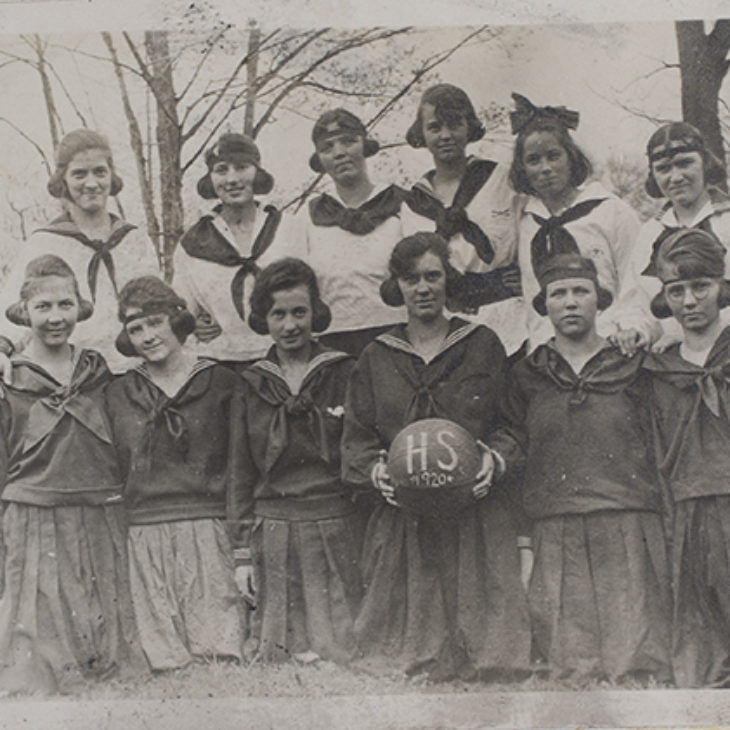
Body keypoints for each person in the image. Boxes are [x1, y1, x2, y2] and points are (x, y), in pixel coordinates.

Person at [342, 232, 531, 681]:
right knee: (404, 645)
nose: (423, 288)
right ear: (397, 286)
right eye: (411, 279)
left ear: (449, 280)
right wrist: (376, 471)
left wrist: (493, 461)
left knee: (489, 655)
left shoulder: (481, 343)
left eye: (433, 276)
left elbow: (511, 425)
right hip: (407, 508)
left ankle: (486, 654)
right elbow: (356, 438)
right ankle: (415, 651)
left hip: (475, 508)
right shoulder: (376, 355)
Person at [492, 253, 671, 682]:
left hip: (625, 511)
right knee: (573, 662)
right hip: (557, 519)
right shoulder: (527, 374)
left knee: (635, 657)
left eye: (580, 292)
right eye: (558, 294)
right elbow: (514, 439)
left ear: (598, 301)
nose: (570, 302)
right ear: (544, 305)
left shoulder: (632, 365)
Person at [0, 255, 141, 689]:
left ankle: (102, 662)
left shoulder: (96, 370)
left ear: (80, 306)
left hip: (96, 500)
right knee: (39, 596)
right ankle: (38, 670)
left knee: (96, 594)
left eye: (65, 305)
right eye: (43, 307)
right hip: (35, 504)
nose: (56, 317)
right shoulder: (11, 377)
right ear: (25, 312)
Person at [104, 277, 246, 670]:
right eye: (136, 329)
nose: (148, 336)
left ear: (176, 321)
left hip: (207, 525)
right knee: (161, 655)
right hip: (145, 529)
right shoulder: (119, 393)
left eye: (155, 323)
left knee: (217, 646)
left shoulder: (221, 382)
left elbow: (239, 467)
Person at [231, 258, 361, 664]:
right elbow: (239, 470)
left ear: (315, 313)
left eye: (299, 312)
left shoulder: (344, 372)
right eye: (278, 314)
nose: (290, 326)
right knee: (278, 652)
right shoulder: (250, 384)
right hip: (275, 527)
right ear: (263, 319)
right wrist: (241, 553)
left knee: (341, 648)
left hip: (333, 523)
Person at [641, 229, 730, 687]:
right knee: (700, 610)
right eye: (676, 290)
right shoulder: (660, 367)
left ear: (722, 286)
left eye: (701, 287)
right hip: (690, 501)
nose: (690, 300)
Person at [0, 129, 158, 374]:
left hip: (135, 370)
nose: (92, 184)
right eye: (79, 174)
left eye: (100, 172)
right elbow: (14, 308)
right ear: (63, 180)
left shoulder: (134, 239)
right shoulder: (46, 241)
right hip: (71, 375)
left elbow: (159, 306)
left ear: (111, 176)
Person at [508, 93, 641, 352]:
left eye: (553, 156)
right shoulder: (525, 222)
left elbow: (633, 280)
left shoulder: (609, 211)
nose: (545, 168)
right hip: (550, 352)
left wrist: (629, 328)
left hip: (610, 343)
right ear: (522, 168)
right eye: (533, 160)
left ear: (571, 157)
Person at [400, 84, 525, 355]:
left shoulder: (502, 180)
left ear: (469, 127)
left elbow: (531, 233)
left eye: (454, 124)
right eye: (434, 127)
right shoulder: (414, 203)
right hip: (446, 325)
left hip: (507, 322)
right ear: (421, 133)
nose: (445, 135)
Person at [285, 108, 406, 357]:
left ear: (365, 146)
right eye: (327, 147)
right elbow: (294, 285)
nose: (339, 153)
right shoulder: (308, 217)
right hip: (332, 345)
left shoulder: (401, 206)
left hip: (397, 339)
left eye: (349, 142)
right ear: (320, 159)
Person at [614, 121, 730, 355]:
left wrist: (689, 337)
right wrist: (636, 330)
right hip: (670, 361)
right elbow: (636, 302)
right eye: (664, 168)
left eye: (685, 163)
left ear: (705, 164)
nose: (676, 177)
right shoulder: (650, 233)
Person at [175, 133, 285, 369]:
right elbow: (182, 311)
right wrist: (193, 323)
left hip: (283, 357)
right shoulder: (193, 243)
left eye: (242, 167)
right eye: (221, 170)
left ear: (257, 172)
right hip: (219, 362)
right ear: (211, 179)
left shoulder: (287, 228)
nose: (232, 179)